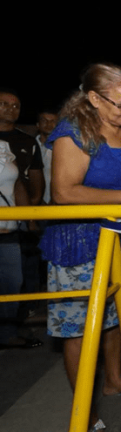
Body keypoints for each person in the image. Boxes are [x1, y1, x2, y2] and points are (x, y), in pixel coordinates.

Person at [38, 64, 121, 431]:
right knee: (80, 328)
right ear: (95, 98)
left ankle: (113, 378)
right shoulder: (74, 131)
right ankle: (85, 408)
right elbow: (64, 192)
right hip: (80, 243)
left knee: (117, 318)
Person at [0, 139, 37, 349]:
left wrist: (28, 218)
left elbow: (17, 184)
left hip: (9, 230)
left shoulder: (4, 146)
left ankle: (7, 334)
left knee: (12, 283)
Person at [36, 111, 58, 204]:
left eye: (53, 121)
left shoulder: (65, 149)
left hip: (58, 203)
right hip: (35, 204)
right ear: (37, 125)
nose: (49, 124)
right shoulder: (29, 147)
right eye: (44, 121)